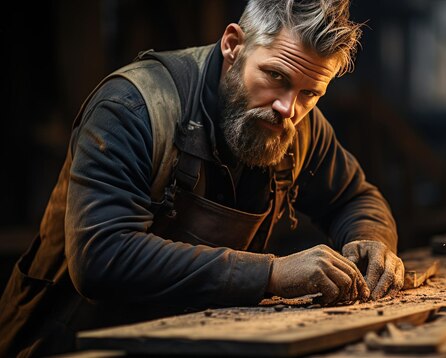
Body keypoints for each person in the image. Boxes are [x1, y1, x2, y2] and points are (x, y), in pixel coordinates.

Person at [0, 0, 404, 356]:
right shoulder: (132, 108)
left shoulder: (298, 123)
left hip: (189, 339)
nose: (288, 109)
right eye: (275, 77)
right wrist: (271, 274)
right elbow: (101, 256)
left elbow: (354, 197)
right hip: (67, 342)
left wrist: (369, 240)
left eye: (310, 93)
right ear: (233, 44)